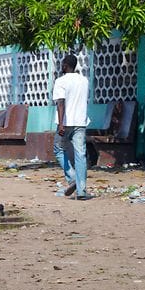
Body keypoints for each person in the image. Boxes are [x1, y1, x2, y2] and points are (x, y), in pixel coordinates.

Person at [53, 54, 90, 200]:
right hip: (80, 122)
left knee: (58, 149)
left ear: (64, 66)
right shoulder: (84, 81)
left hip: (66, 123)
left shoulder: (60, 81)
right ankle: (81, 191)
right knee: (80, 155)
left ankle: (72, 178)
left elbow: (60, 103)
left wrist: (61, 124)